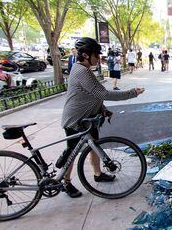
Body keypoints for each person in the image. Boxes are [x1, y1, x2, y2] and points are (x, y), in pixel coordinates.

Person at [61, 37, 145, 198]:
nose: (99, 58)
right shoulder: (81, 71)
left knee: (95, 147)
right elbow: (103, 93)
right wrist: (132, 93)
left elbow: (92, 95)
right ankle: (65, 182)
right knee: (71, 152)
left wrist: (103, 109)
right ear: (85, 55)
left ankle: (98, 174)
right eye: (96, 55)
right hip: (75, 120)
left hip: (88, 119)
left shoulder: (83, 70)